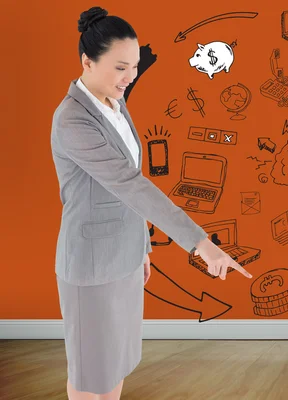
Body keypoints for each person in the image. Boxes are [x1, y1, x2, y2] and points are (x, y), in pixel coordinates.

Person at [50, 7, 252, 400]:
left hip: (124, 257)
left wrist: (142, 247)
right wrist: (202, 244)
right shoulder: (72, 120)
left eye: (135, 66)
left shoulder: (113, 103)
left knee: (117, 365)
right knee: (93, 375)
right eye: (121, 67)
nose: (131, 77)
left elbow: (121, 194)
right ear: (87, 62)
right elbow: (130, 184)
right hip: (92, 266)